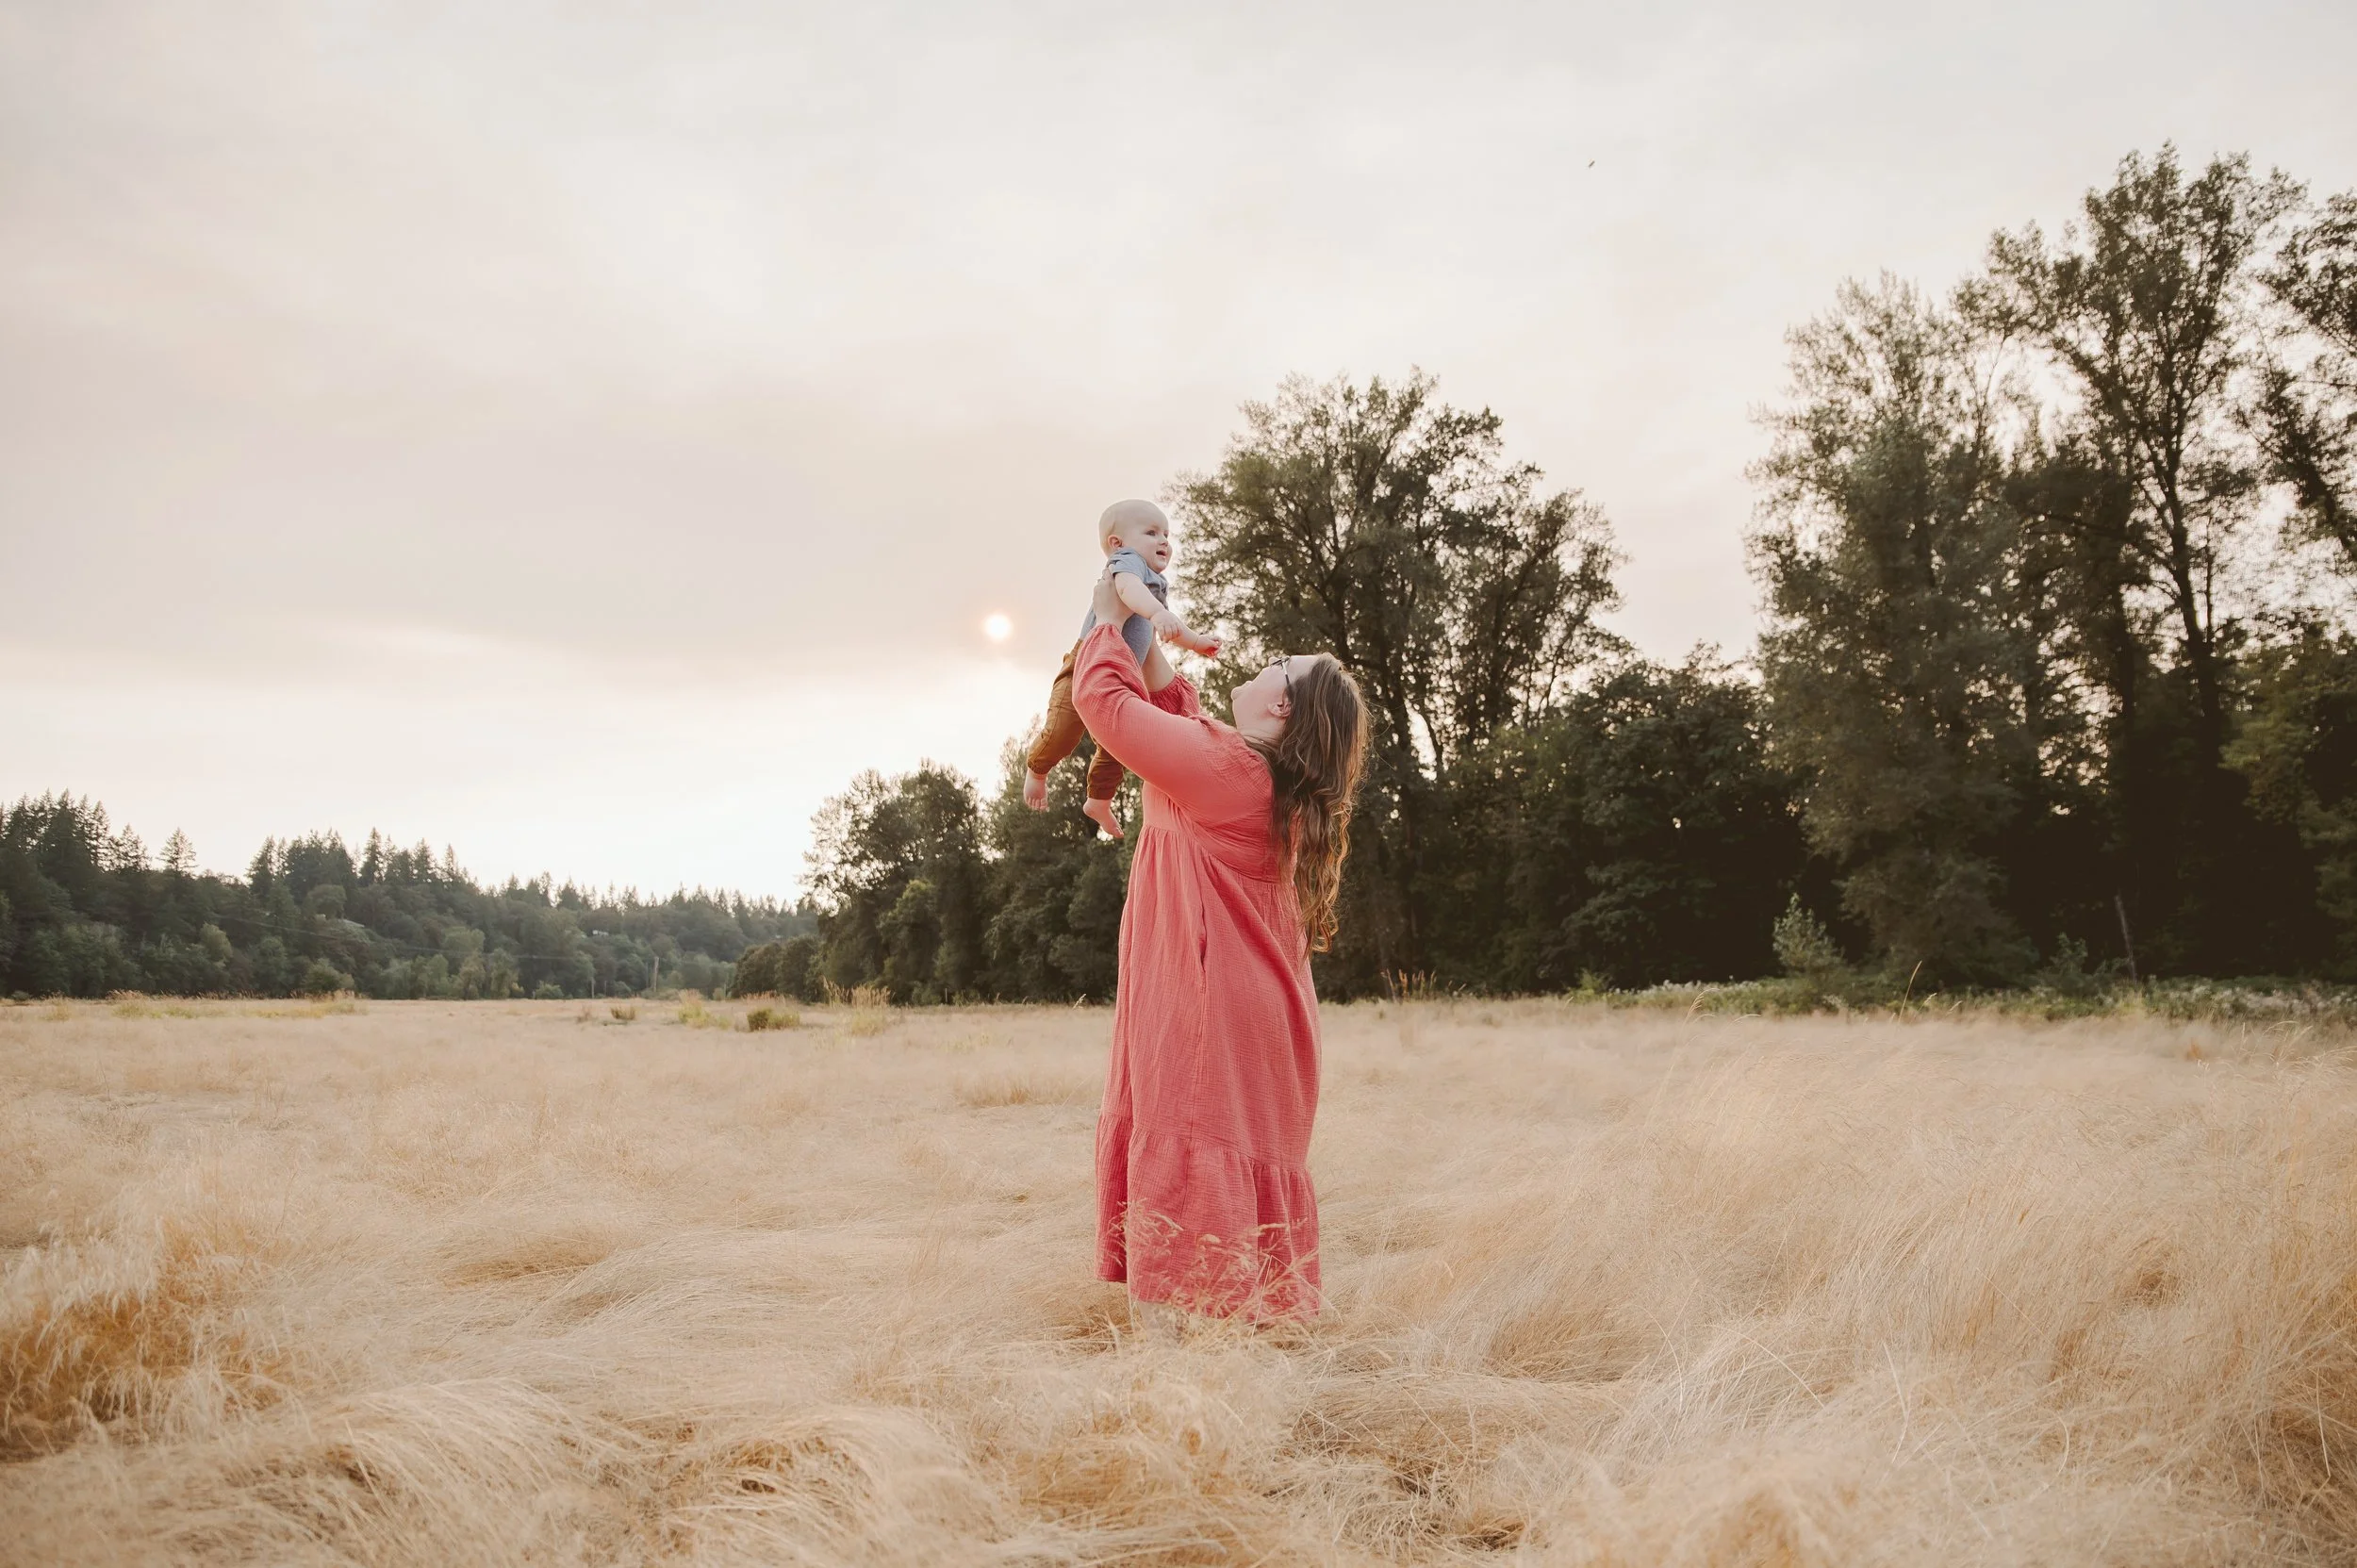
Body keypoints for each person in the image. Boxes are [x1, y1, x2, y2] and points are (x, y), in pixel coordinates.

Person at [1069, 564, 1368, 1322]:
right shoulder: (1256, 771)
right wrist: (1144, 621)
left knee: (1186, 1177)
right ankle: (1219, 1364)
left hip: (1210, 1008)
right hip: (1262, 1017)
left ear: (1279, 702)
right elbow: (1169, 703)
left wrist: (1106, 615)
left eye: (1279, 665)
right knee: (1226, 1203)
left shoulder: (1229, 768)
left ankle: (1163, 1380)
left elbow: (1104, 703)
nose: (1266, 663)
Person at [1023, 499, 1221, 839]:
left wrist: (1197, 642)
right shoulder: (1127, 563)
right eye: (1151, 532)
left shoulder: (1157, 583)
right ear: (1118, 543)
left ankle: (1099, 799)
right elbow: (1128, 592)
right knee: (1064, 728)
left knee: (1117, 745)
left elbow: (1171, 625)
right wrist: (1157, 614)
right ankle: (1038, 769)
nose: (1163, 541)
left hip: (1125, 676)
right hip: (1087, 663)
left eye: (1166, 534)